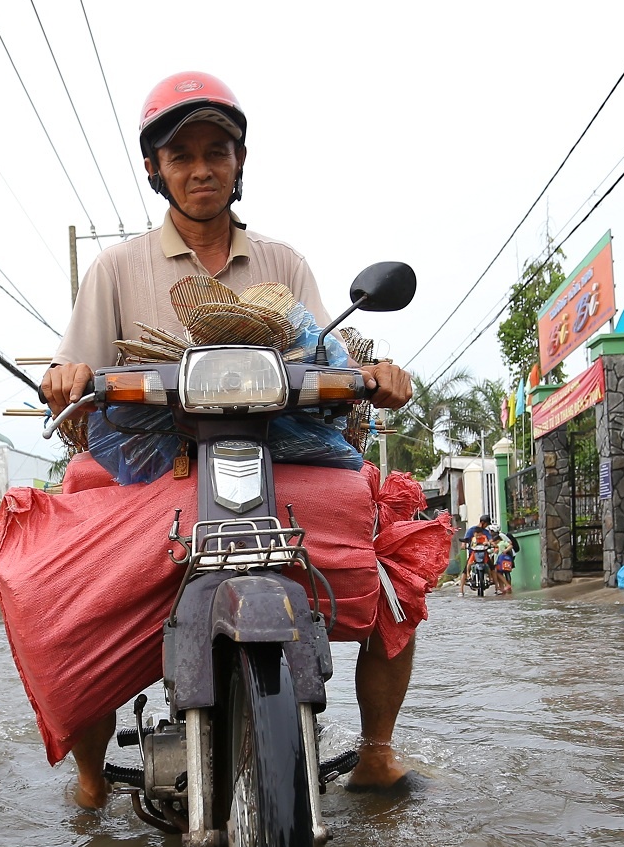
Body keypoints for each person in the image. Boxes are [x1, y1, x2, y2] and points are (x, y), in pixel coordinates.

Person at [39, 71, 417, 804]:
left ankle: (376, 749)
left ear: (240, 161)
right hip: (153, 467)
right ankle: (90, 774)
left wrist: (376, 374)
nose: (201, 168)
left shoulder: (284, 261)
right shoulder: (115, 267)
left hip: (280, 459)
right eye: (181, 155)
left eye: (218, 150)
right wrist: (67, 376)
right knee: (64, 589)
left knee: (391, 561)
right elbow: (71, 368)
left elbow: (331, 363)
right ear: (156, 169)